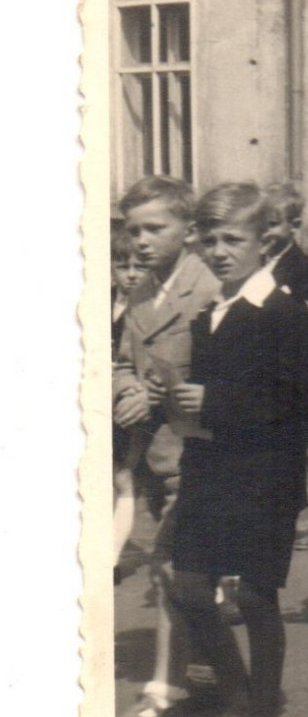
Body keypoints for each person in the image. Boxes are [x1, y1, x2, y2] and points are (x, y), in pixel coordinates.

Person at [164, 182, 308, 717]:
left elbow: (301, 410)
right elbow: (211, 401)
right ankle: (241, 702)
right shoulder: (212, 317)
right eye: (210, 239)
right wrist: (175, 399)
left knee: (255, 597)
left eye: (234, 239)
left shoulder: (284, 314)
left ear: (267, 241)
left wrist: (218, 399)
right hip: (208, 469)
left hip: (265, 476)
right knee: (189, 588)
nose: (220, 250)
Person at [112, 176, 222, 717]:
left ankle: (164, 691)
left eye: (156, 228)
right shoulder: (140, 289)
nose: (142, 242)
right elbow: (124, 358)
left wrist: (151, 393)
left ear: (190, 230)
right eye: (134, 231)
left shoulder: (207, 290)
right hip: (152, 453)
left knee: (169, 567)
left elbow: (215, 372)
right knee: (185, 574)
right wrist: (125, 388)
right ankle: (211, 674)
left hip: (198, 450)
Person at [259, 181, 308, 552]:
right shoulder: (254, 264)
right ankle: (279, 519)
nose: (266, 232)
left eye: (273, 224)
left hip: (299, 369)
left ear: (294, 225)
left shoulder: (307, 269)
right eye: (261, 223)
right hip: (264, 370)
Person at [111, 223, 148, 574]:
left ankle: (111, 557)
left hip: (131, 404)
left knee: (123, 477)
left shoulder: (147, 308)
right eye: (124, 267)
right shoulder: (103, 304)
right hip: (100, 402)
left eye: (140, 266)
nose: (132, 275)